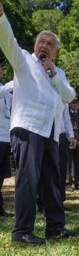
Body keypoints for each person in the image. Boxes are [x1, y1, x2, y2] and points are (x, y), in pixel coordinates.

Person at [0, 1, 77, 245]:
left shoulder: (59, 72)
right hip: (28, 127)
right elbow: (7, 41)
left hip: (52, 132)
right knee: (28, 180)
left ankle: (55, 227)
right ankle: (22, 231)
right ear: (35, 45)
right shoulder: (23, 60)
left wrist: (52, 71)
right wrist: (2, 18)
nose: (44, 45)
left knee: (51, 182)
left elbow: (69, 96)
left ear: (56, 51)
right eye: (40, 41)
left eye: (50, 43)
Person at [0, 66, 13, 218]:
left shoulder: (7, 92)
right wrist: (18, 79)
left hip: (6, 138)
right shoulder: (5, 89)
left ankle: (0, 208)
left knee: (2, 174)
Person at [68, 99, 79, 190]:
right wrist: (74, 135)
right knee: (68, 163)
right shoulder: (66, 114)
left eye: (77, 103)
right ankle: (68, 184)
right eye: (73, 103)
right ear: (70, 104)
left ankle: (78, 184)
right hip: (69, 140)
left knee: (78, 163)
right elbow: (67, 126)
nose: (75, 105)